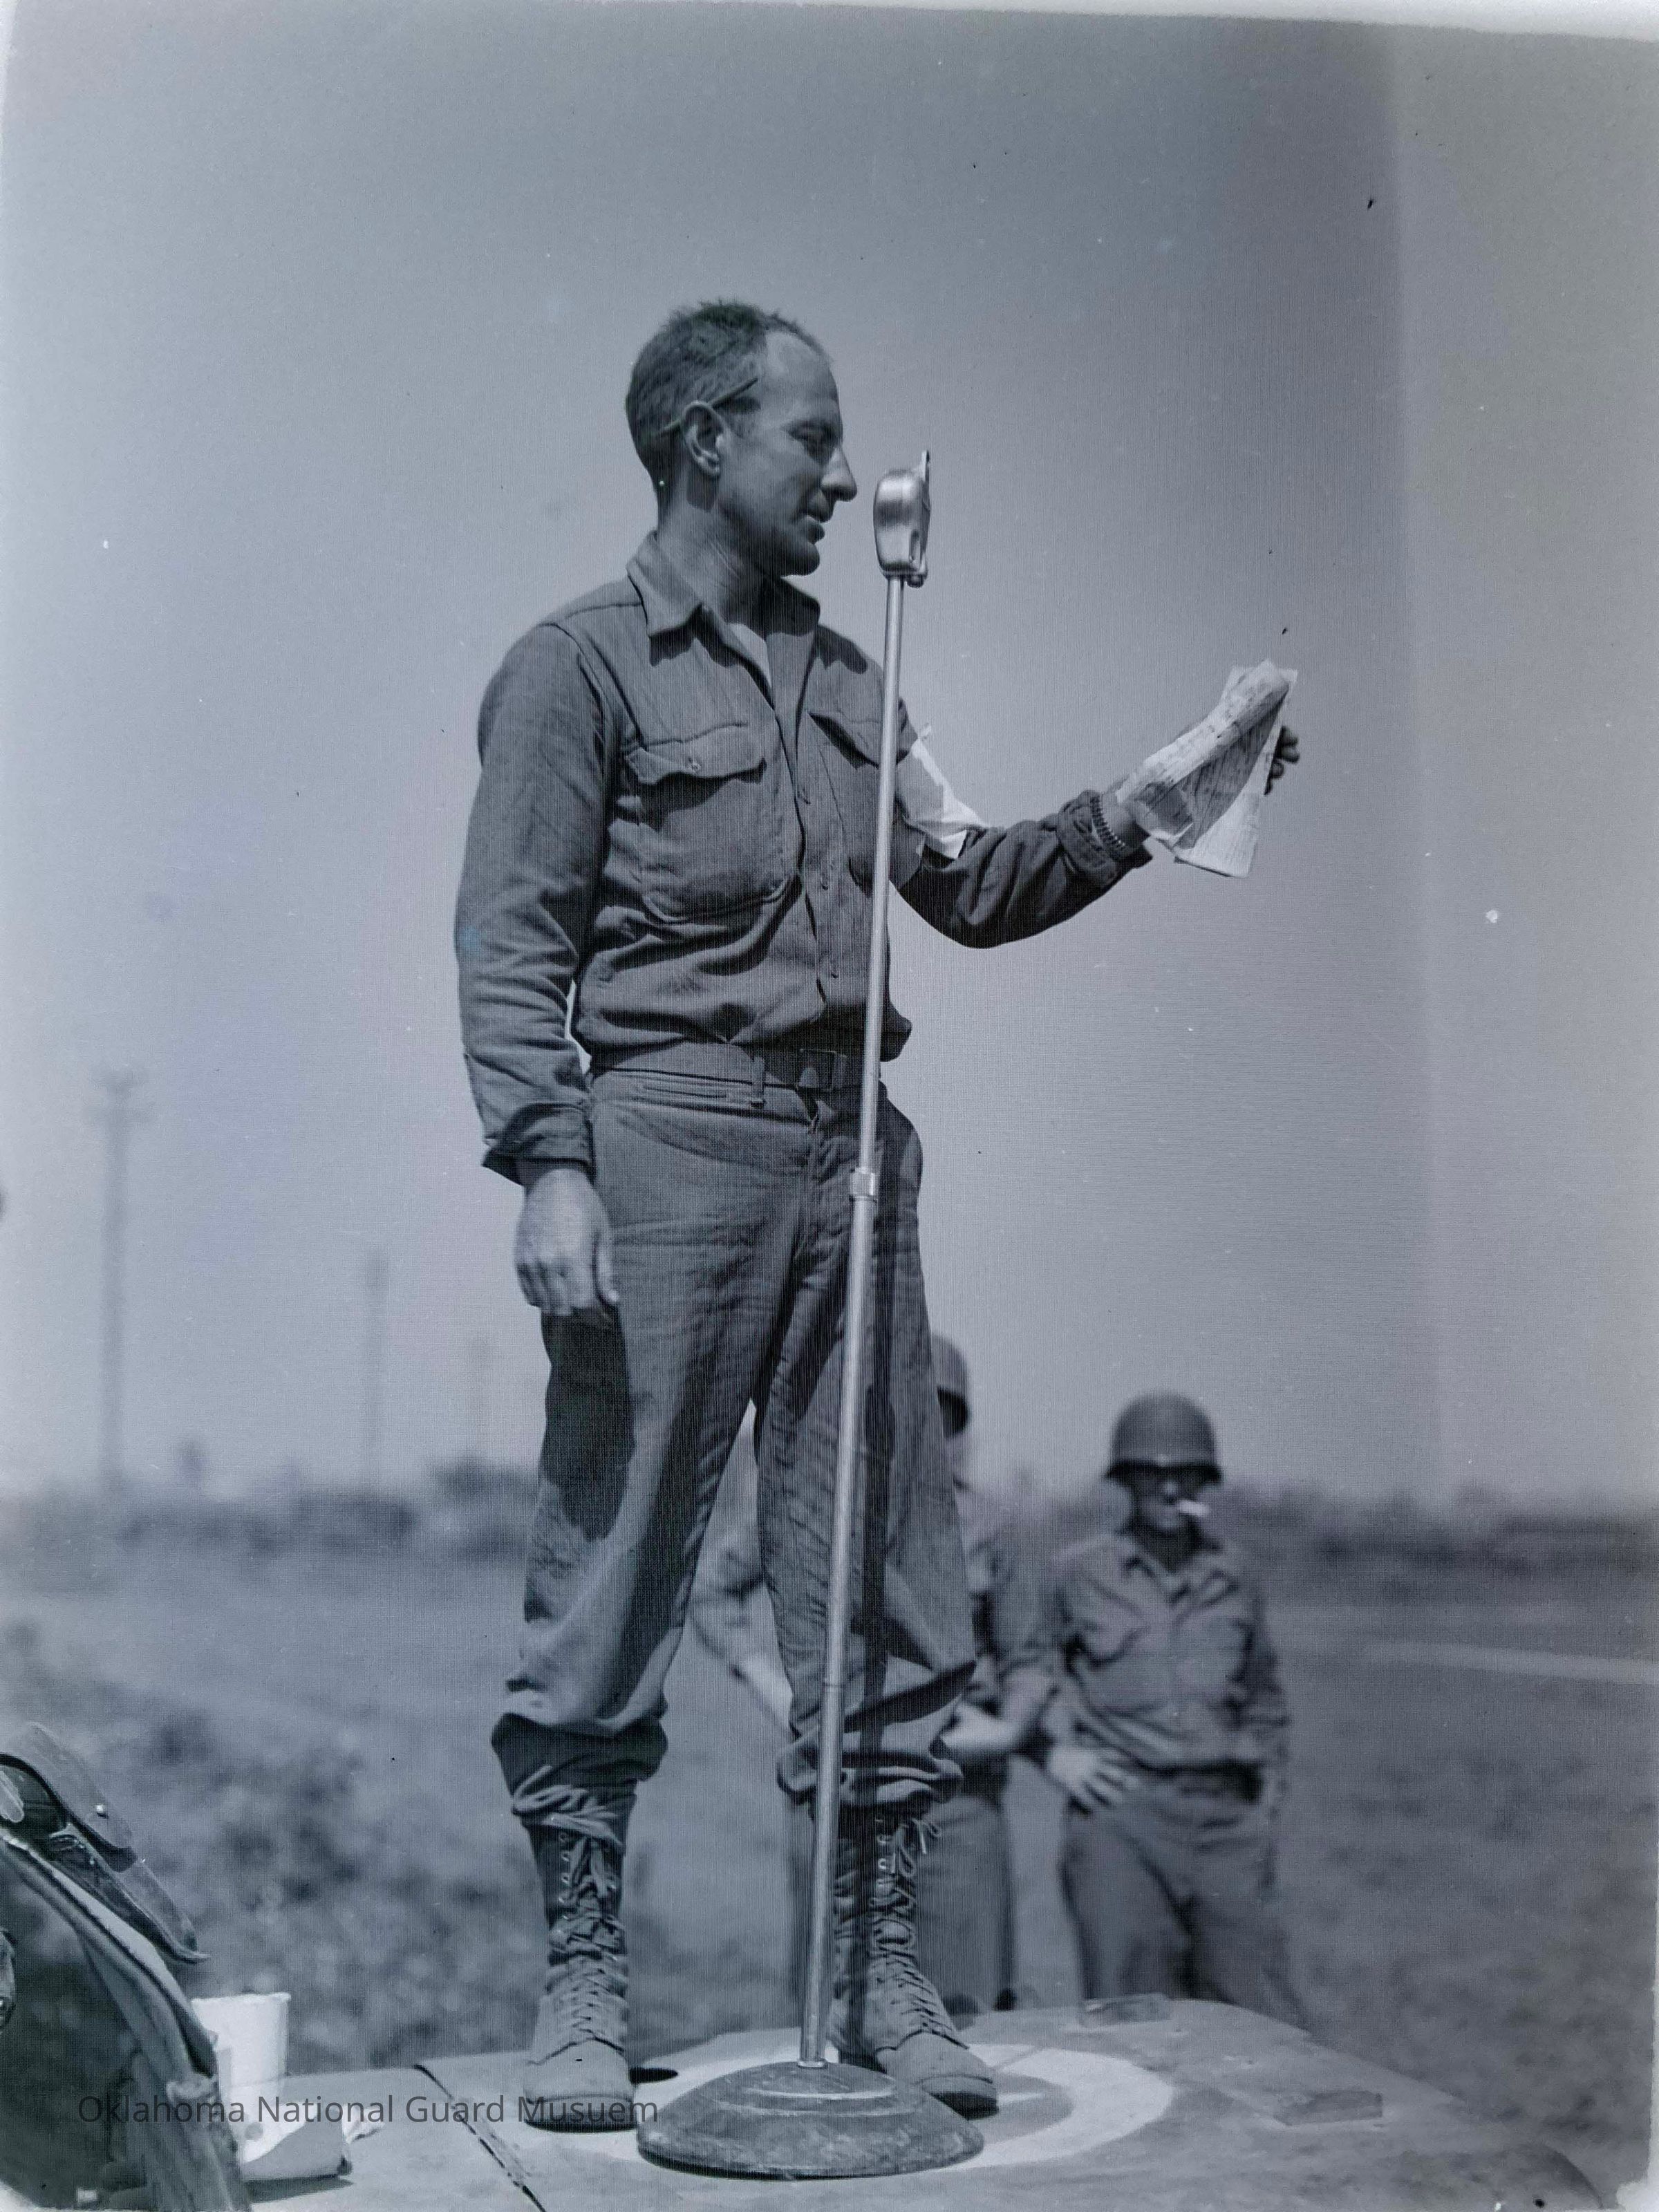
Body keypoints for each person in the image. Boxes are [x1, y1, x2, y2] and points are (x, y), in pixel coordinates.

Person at [453, 299, 1300, 2130]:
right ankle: (582, 1979)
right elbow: (514, 939)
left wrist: (1147, 808)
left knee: (888, 1566)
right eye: (811, 438)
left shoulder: (858, 680)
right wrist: (549, 1158)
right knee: (612, 1559)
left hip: (853, 1158)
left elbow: (970, 884)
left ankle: (881, 1966)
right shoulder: (576, 671)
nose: (844, 476)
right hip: (665, 1146)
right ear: (705, 440)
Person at [692, 1335, 1048, 2021]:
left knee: (969, 2010)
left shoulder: (991, 1528)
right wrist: (776, 1692)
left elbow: (1031, 1658)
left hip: (955, 1792)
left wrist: (1009, 1730)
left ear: (954, 1423)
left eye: (936, 1411)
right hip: (842, 1785)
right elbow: (711, 1590)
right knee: (832, 2011)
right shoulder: (810, 1505)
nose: (914, 1426)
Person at [1038, 1391, 1302, 2022]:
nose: (1169, 1487)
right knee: (1130, 2017)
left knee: (1260, 2017)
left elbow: (1265, 1695)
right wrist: (1053, 1754)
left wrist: (1266, 1797)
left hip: (1225, 1822)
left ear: (1206, 1482)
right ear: (1125, 1480)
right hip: (1123, 1819)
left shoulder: (1235, 1575)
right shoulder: (1077, 1574)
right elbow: (1024, 1674)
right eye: (1150, 1473)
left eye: (1186, 1473)